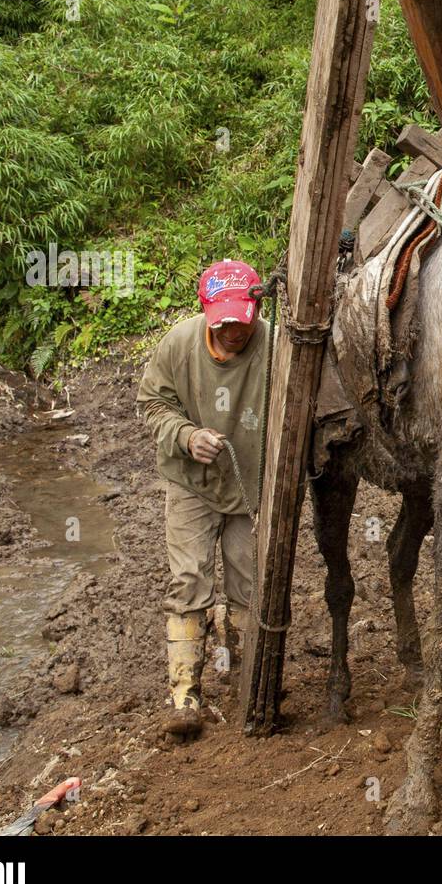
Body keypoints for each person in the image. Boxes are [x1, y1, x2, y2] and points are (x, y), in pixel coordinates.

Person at [136, 259, 268, 737]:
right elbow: (152, 403)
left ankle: (245, 679)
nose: (234, 330)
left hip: (251, 484)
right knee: (189, 577)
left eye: (242, 320)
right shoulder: (179, 343)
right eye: (224, 322)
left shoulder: (275, 346)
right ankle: (185, 696)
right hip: (190, 481)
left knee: (249, 581)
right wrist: (186, 435)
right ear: (207, 312)